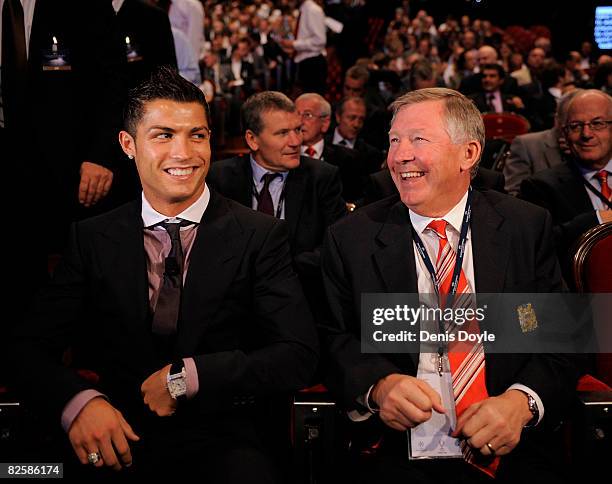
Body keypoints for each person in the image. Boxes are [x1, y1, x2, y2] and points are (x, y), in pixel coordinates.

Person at [10, 67, 318, 481]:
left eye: (197, 135)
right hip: (112, 429)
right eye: (163, 135)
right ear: (128, 144)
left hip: (224, 437)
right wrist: (80, 403)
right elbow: (28, 348)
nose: (184, 153)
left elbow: (297, 355)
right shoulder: (92, 237)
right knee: (25, 474)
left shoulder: (260, 235)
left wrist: (186, 378)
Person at [320, 88, 577, 482]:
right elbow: (332, 338)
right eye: (394, 140)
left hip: (512, 451)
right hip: (393, 452)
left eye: (418, 139)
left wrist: (521, 402)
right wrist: (377, 387)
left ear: (469, 154)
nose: (399, 155)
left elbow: (560, 338)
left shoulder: (525, 227)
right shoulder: (351, 238)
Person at [207, 91, 347, 319]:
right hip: (234, 304)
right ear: (252, 139)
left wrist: (283, 270)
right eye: (283, 133)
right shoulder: (220, 178)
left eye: (298, 130)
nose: (295, 142)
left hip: (300, 298)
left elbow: (337, 245)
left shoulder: (322, 177)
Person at [520, 89, 612, 287]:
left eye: (597, 124)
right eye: (576, 126)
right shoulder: (540, 186)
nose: (586, 134)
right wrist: (597, 219)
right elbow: (536, 248)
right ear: (564, 134)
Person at [504, 90, 581, 196]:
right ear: (557, 119)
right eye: (576, 124)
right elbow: (513, 196)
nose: (586, 132)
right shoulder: (526, 145)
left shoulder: (600, 149)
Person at [296, 92, 365, 203]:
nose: (299, 121)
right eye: (296, 114)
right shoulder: (283, 155)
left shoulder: (348, 159)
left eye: (307, 115)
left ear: (325, 123)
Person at [278, 0, 327, 95]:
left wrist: (294, 44)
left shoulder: (313, 10)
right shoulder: (303, 9)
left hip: (313, 63)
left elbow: (320, 40)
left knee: (312, 104)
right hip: (305, 61)